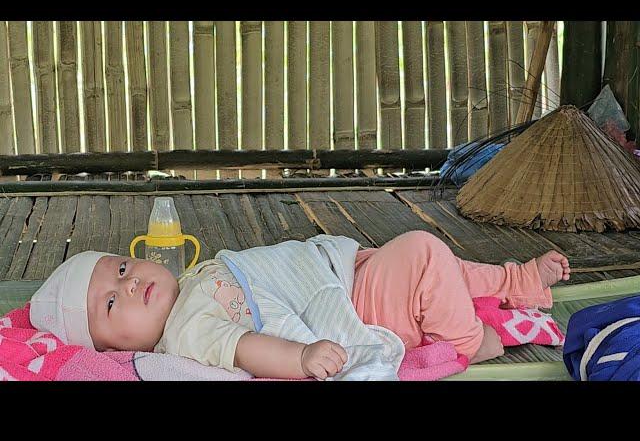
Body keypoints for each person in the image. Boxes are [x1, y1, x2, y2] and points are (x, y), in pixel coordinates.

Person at [30, 230, 570, 380]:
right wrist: (301, 358)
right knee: (426, 255)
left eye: (121, 269)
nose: (127, 285)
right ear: (111, 348)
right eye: (109, 303)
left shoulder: (191, 281)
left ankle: (517, 281)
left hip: (342, 270)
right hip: (353, 307)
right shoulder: (187, 326)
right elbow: (242, 346)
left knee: (441, 267)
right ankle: (469, 342)